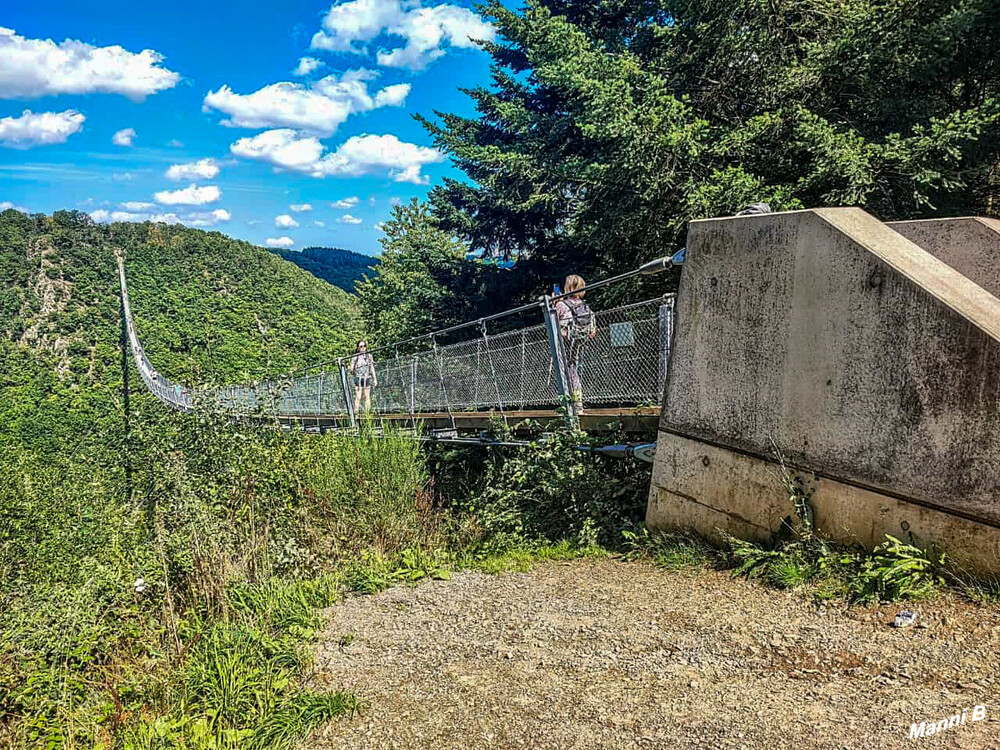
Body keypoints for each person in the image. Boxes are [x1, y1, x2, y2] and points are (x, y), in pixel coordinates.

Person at [554, 274, 596, 410]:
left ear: (568, 287)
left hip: (566, 341)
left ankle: (571, 404)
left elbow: (552, 321)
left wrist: (554, 303)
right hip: (580, 341)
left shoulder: (561, 304)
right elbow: (592, 328)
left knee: (565, 371)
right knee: (574, 370)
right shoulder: (585, 306)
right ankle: (577, 403)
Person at [350, 340, 377, 413]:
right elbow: (351, 368)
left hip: (366, 377)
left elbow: (372, 368)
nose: (363, 348)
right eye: (361, 346)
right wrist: (352, 370)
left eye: (364, 346)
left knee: (367, 396)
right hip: (358, 377)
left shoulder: (369, 356)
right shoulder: (355, 357)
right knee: (358, 396)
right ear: (358, 348)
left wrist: (375, 379)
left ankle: (367, 414)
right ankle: (356, 413)